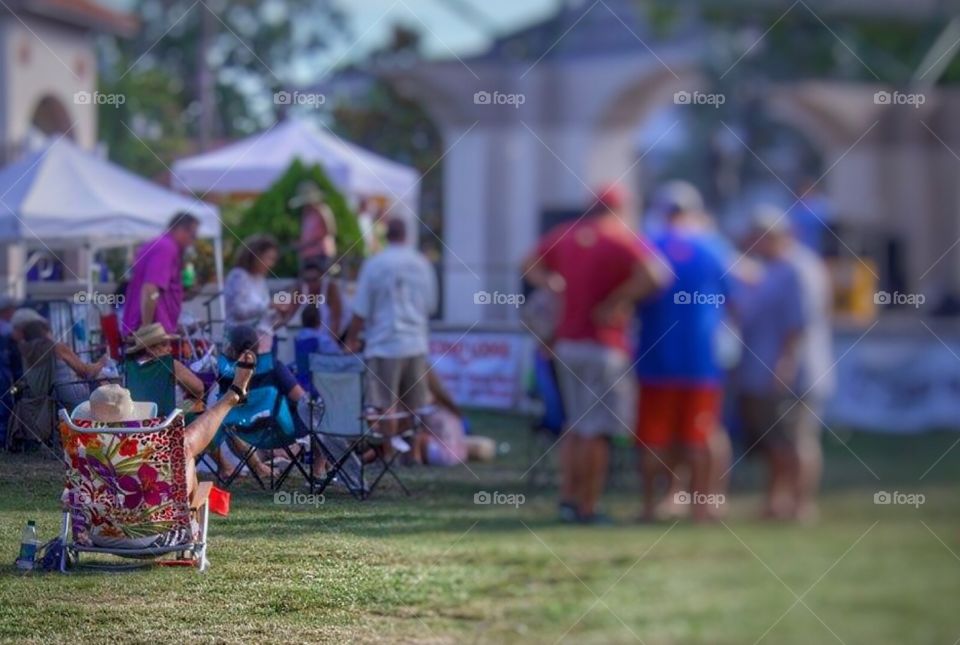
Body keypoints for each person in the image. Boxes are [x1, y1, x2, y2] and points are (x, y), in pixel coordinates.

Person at [522, 184, 669, 524]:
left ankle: (567, 501)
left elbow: (528, 264)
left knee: (575, 426)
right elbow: (657, 275)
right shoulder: (620, 237)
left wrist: (552, 285)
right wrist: (619, 301)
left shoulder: (566, 234)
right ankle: (588, 507)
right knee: (597, 430)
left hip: (567, 344)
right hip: (603, 344)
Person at [634, 182, 742, 522]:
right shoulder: (713, 247)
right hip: (701, 362)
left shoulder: (647, 245)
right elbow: (737, 296)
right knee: (701, 434)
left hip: (654, 359)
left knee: (654, 436)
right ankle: (703, 506)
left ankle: (653, 506)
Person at [76, 355, 254, 504]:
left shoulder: (80, 449)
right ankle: (232, 396)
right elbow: (199, 388)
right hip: (151, 535)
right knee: (184, 450)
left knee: (182, 450)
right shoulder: (140, 449)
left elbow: (69, 500)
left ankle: (232, 396)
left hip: (95, 535)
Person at [736, 207, 811, 520]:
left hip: (779, 373)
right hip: (758, 372)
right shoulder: (766, 270)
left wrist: (784, 364)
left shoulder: (793, 270)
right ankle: (775, 501)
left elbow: (797, 325)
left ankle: (797, 504)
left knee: (788, 441)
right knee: (771, 441)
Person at [345, 218, 438, 451]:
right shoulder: (422, 263)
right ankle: (414, 452)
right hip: (415, 342)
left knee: (385, 404)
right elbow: (431, 306)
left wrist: (351, 339)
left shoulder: (375, 264)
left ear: (387, 236)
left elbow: (361, 309)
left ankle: (388, 452)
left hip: (384, 343)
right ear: (407, 235)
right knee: (415, 403)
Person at [122, 212, 199, 336]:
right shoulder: (166, 248)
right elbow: (150, 289)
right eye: (193, 235)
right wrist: (146, 330)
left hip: (154, 329)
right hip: (152, 333)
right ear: (180, 230)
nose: (193, 241)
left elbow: (158, 291)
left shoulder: (162, 245)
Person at [223, 234, 297, 352]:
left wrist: (281, 313)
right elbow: (238, 311)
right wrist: (269, 305)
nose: (271, 264)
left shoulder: (260, 280)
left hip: (264, 343)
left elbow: (264, 317)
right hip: (242, 344)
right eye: (268, 258)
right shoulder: (238, 276)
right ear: (255, 255)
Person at [18, 319, 107, 411]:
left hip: (45, 402)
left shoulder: (25, 354)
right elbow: (86, 372)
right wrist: (102, 362)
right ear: (46, 332)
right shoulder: (57, 347)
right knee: (105, 381)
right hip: (70, 398)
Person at [126, 323, 206, 402]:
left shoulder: (128, 369)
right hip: (169, 413)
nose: (170, 348)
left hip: (140, 413)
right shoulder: (172, 365)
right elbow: (199, 389)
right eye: (164, 345)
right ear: (150, 349)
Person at [291, 181, 337, 268]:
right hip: (307, 254)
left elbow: (330, 230)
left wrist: (311, 242)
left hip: (321, 254)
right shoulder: (306, 214)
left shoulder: (322, 210)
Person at [299, 259, 344, 347]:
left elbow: (336, 320)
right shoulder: (303, 289)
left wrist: (330, 345)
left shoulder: (330, 288)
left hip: (343, 334)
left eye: (315, 279)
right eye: (308, 280)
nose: (311, 283)